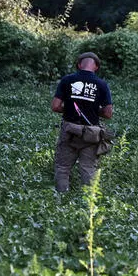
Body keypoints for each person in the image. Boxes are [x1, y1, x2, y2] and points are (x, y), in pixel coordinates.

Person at [52, 52, 114, 193]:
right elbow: (108, 114)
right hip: (91, 134)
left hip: (70, 131)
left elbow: (55, 106)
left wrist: (68, 108)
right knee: (88, 169)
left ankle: (61, 199)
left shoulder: (67, 80)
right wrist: (92, 110)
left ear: (79, 65)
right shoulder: (102, 84)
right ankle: (89, 203)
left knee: (63, 167)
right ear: (96, 67)